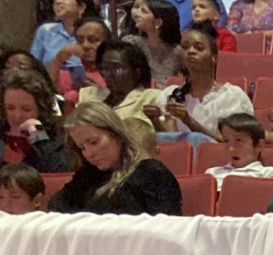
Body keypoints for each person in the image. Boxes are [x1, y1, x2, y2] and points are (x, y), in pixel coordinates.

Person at [49, 98, 181, 209]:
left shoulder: (151, 173)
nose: (89, 154)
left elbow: (167, 226)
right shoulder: (89, 175)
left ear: (116, 134)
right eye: (82, 147)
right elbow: (55, 207)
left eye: (94, 142)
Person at [151, 22, 249, 138]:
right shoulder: (170, 94)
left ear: (214, 57)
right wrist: (155, 121)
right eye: (185, 47)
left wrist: (190, 122)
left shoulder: (231, 96)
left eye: (199, 48)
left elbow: (231, 143)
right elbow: (170, 142)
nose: (191, 51)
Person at [3, 62, 72, 167]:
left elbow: (54, 173)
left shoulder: (58, 138)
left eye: (26, 109)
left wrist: (38, 135)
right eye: (10, 108)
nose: (17, 116)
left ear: (41, 108)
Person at [32, 0, 94, 92]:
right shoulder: (45, 30)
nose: (58, 1)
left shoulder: (92, 32)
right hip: (50, 90)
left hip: (86, 90)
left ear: (81, 7)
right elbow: (33, 66)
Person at [128, 0, 182, 83]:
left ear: (158, 22)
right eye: (136, 7)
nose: (136, 14)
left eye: (144, 11)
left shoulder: (177, 52)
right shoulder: (132, 44)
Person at [207, 107, 273, 173]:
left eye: (238, 140)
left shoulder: (267, 173)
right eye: (226, 141)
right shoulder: (212, 172)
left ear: (258, 145)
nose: (231, 149)